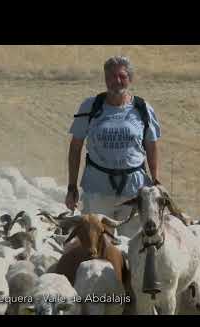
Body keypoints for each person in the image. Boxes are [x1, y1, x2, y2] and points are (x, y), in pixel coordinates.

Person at [66, 56, 161, 238]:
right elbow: (75, 148)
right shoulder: (90, 107)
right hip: (97, 191)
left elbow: (151, 145)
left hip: (134, 192)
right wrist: (72, 187)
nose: (116, 81)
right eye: (111, 76)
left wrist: (156, 179)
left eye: (122, 76)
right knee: (96, 246)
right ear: (105, 78)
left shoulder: (143, 108)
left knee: (134, 247)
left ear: (130, 79)